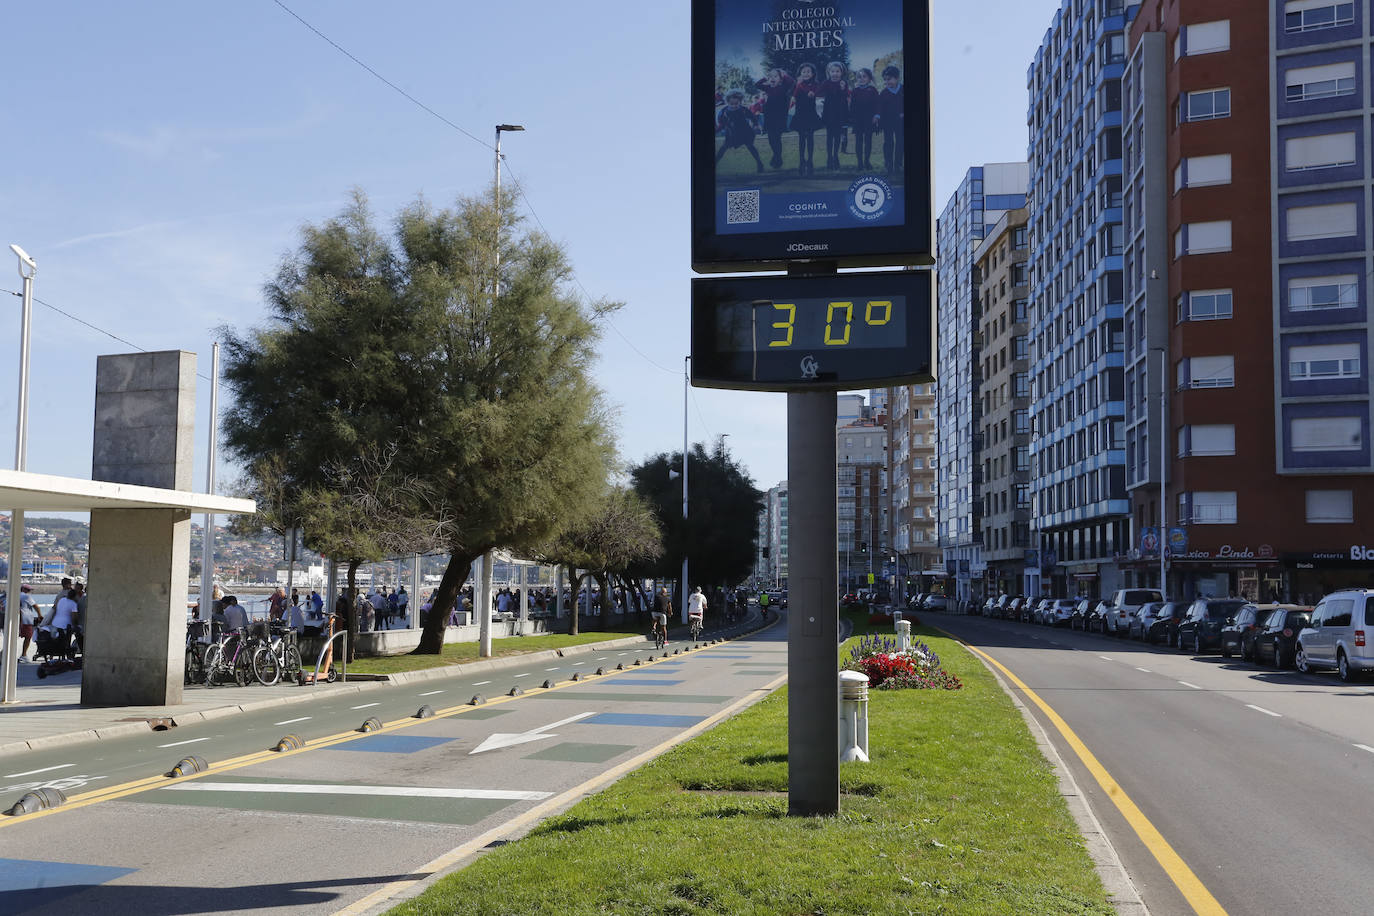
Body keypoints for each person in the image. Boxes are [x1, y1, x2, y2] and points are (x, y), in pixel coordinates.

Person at [714, 90, 765, 172]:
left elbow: (752, 117)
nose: (734, 106)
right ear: (727, 102)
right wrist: (716, 131)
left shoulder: (743, 109)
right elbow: (721, 124)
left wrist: (756, 125)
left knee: (750, 146)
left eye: (736, 104)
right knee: (723, 148)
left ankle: (759, 163)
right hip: (731, 133)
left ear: (740, 102)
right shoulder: (724, 112)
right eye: (731, 104)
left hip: (745, 132)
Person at [754, 68, 795, 168]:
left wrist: (784, 74)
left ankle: (777, 158)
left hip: (779, 117)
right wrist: (765, 78)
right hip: (769, 117)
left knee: (777, 138)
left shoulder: (783, 87)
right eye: (771, 76)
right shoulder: (768, 88)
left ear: (780, 79)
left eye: (775, 76)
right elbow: (757, 85)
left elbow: (791, 81)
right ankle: (777, 157)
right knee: (771, 139)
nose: (772, 78)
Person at [791, 63, 821, 176]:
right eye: (803, 72)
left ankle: (810, 161)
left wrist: (813, 93)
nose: (806, 73)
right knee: (802, 139)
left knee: (810, 138)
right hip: (800, 114)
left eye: (808, 71)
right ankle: (801, 161)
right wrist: (797, 85)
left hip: (810, 114)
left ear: (812, 74)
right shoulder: (798, 85)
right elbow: (793, 96)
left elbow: (816, 92)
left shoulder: (815, 84)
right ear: (800, 74)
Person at [818, 61, 850, 169]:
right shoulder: (826, 83)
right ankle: (829, 158)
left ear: (841, 73)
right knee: (829, 136)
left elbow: (846, 95)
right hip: (829, 112)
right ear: (829, 72)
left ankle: (836, 156)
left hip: (840, 113)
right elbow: (819, 92)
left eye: (837, 71)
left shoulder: (843, 83)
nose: (835, 74)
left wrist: (842, 88)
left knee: (837, 136)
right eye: (833, 71)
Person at [848, 68, 879, 171]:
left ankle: (867, 161)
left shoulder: (873, 90)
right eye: (859, 77)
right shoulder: (855, 91)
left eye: (864, 76)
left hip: (869, 119)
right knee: (858, 141)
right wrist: (852, 118)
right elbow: (852, 106)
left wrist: (876, 116)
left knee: (868, 141)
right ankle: (860, 163)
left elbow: (877, 105)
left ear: (869, 78)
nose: (861, 79)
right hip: (858, 120)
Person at [876, 65, 904, 175]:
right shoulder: (884, 93)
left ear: (897, 78)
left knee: (900, 142)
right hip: (887, 122)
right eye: (885, 80)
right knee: (888, 142)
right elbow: (879, 107)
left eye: (890, 79)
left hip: (900, 122)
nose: (887, 82)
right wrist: (877, 116)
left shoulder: (902, 90)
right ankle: (888, 164)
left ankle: (898, 164)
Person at [17, 584, 40, 661]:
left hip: (19, 619)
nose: (29, 591)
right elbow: (35, 606)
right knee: (28, 637)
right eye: (28, 590)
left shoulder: (16, 595)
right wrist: (40, 615)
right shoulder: (26, 596)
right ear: (23, 589)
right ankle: (24, 655)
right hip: (26, 620)